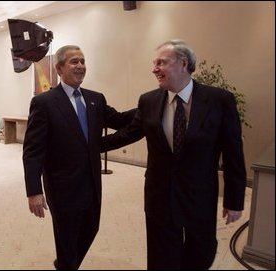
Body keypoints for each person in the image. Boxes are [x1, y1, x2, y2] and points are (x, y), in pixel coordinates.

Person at [102, 40, 247, 269]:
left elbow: (233, 154)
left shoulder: (220, 100)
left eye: (161, 62)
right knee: (161, 256)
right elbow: (128, 134)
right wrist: (87, 146)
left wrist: (234, 199)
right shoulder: (148, 100)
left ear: (183, 63)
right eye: (154, 63)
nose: (154, 68)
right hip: (159, 195)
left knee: (200, 253)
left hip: (199, 195)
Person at [23, 45, 136, 270]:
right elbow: (33, 151)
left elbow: (120, 120)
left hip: (92, 183)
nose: (81, 66)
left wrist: (150, 105)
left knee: (91, 228)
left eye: (83, 61)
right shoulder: (44, 103)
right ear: (60, 68)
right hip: (62, 186)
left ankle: (66, 263)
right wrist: (34, 191)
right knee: (66, 238)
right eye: (74, 61)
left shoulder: (95, 99)